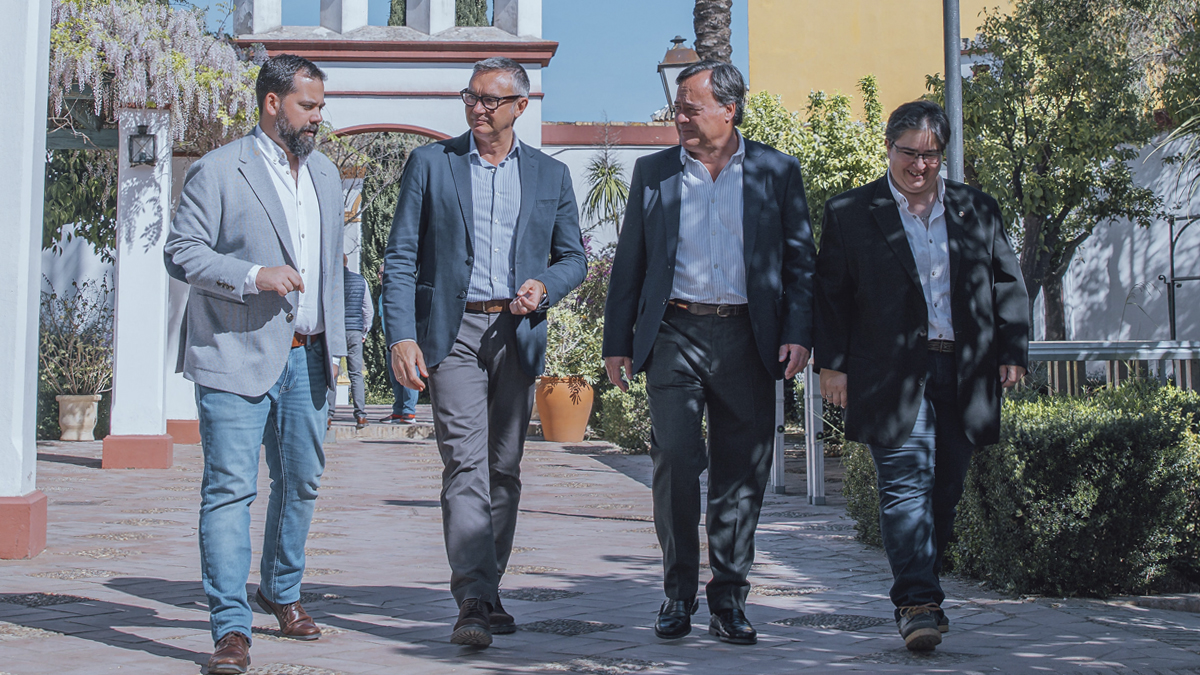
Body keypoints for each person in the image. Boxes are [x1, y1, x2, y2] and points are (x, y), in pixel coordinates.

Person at [602, 61, 816, 646]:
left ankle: (728, 599)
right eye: (678, 108)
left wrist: (798, 331)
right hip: (675, 334)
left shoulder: (776, 171)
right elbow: (630, 263)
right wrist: (617, 342)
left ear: (730, 109)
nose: (680, 118)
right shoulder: (654, 173)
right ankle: (677, 594)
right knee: (674, 460)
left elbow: (801, 262)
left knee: (741, 473)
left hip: (749, 337)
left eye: (690, 108)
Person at [379, 57, 586, 647]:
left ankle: (487, 589)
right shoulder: (430, 164)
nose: (477, 107)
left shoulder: (550, 175)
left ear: (521, 106)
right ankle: (473, 595)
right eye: (471, 96)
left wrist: (545, 285)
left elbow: (573, 256)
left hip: (517, 334)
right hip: (453, 333)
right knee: (464, 464)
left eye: (491, 99)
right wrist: (401, 335)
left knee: (504, 468)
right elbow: (400, 258)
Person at [814, 100, 1029, 652]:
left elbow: (1006, 283)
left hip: (964, 367)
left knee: (946, 489)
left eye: (930, 154)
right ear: (889, 149)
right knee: (905, 484)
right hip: (889, 373)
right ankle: (917, 603)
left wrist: (1013, 352)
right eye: (908, 152)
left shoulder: (977, 209)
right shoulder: (850, 212)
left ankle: (922, 587)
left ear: (943, 154)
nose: (918, 164)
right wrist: (832, 366)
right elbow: (831, 297)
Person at [164, 54, 345, 674]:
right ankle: (230, 628)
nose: (319, 117)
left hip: (309, 358)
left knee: (302, 482)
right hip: (233, 356)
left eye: (320, 106)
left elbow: (333, 270)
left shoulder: (325, 174)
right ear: (273, 104)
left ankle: (281, 591)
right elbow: (181, 252)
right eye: (308, 105)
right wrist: (252, 275)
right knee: (230, 490)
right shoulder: (219, 170)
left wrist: (342, 348)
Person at [332, 254, 372, 430]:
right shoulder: (360, 281)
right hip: (354, 331)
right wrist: (365, 329)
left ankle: (328, 415)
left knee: (332, 372)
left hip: (335, 332)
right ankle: (360, 415)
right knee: (355, 373)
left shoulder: (331, 282)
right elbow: (367, 309)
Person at [377, 261, 419, 424]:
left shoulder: (401, 293)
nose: (381, 277)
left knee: (409, 373)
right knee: (396, 376)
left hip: (405, 341)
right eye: (380, 273)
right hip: (391, 342)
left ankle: (409, 411)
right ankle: (398, 410)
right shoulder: (382, 295)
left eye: (384, 274)